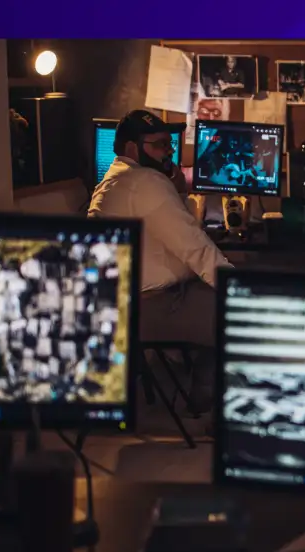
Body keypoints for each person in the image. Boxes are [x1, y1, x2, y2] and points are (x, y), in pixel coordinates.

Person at [88, 110, 230, 412]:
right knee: (235, 312)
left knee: (210, 290)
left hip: (120, 305)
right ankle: (208, 405)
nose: (169, 152)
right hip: (151, 306)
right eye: (161, 145)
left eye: (170, 145)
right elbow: (196, 248)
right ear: (131, 148)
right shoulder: (146, 182)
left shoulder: (111, 181)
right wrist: (238, 288)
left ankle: (200, 385)